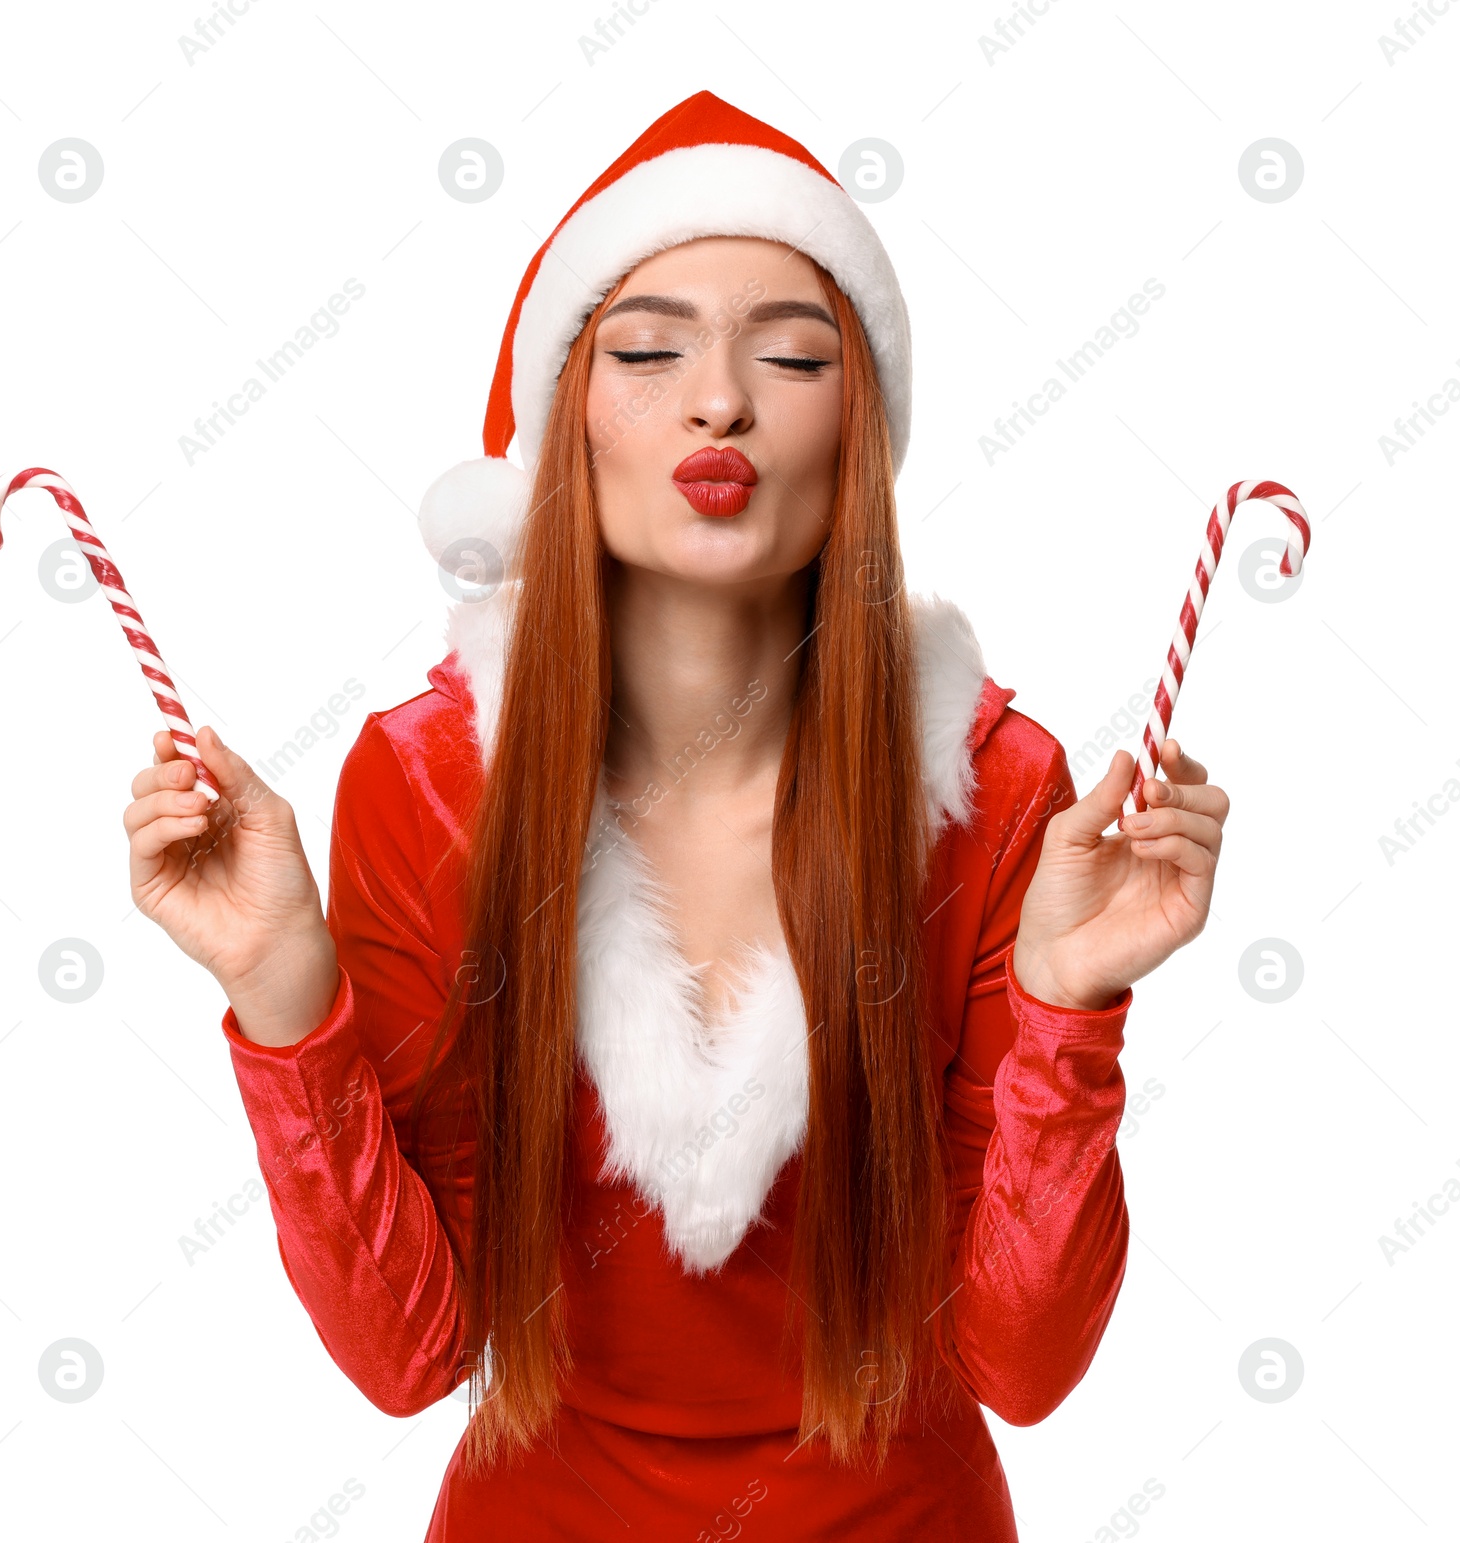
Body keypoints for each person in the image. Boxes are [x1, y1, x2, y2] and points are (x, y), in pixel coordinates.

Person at [123, 91, 1229, 1541]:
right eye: (649, 350)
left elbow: (1021, 1366)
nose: (723, 399)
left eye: (794, 353)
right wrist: (280, 995)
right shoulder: (429, 782)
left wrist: (1071, 1013)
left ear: (862, 431)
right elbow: (409, 1360)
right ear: (562, 423)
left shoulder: (1002, 788)